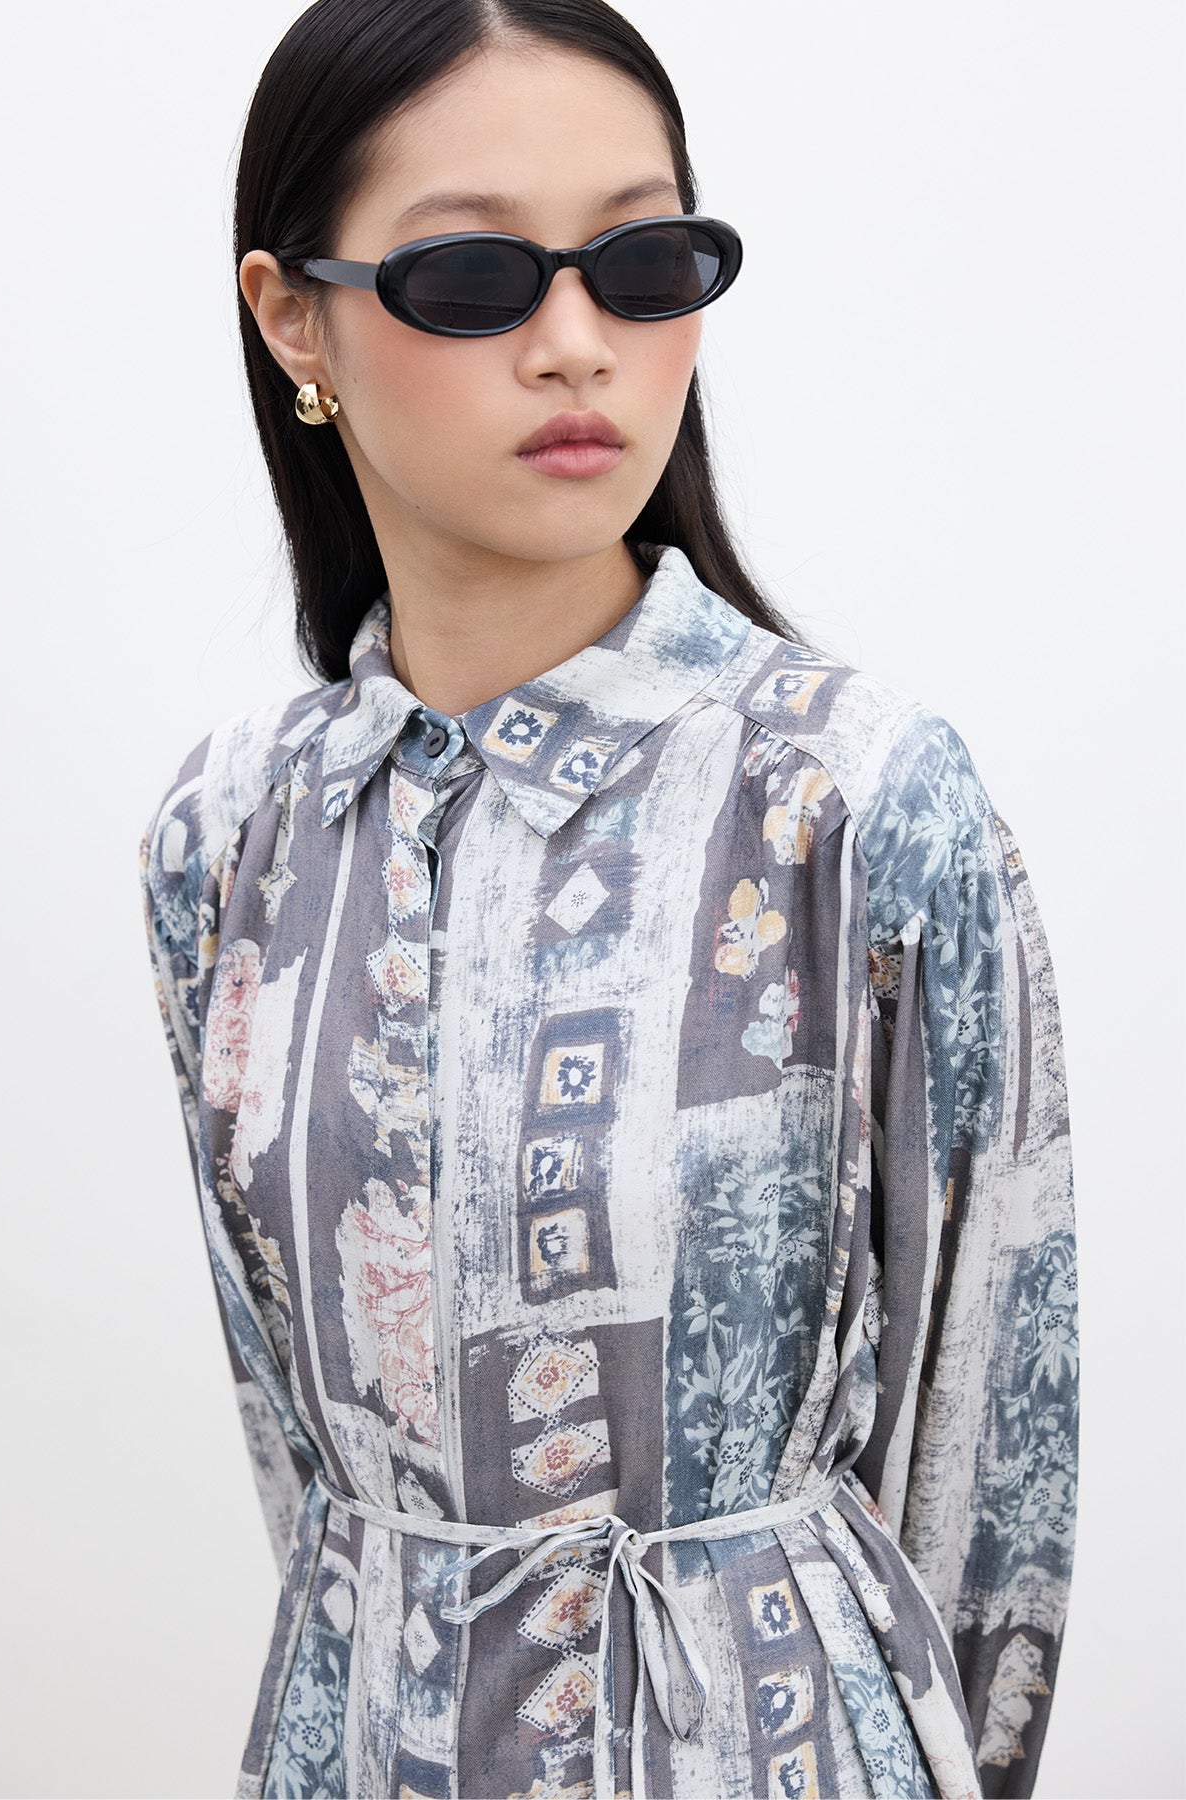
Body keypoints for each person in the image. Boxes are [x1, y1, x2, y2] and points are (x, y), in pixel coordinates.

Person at [137, 3, 1079, 1797]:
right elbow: (300, 1443)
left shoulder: (854, 800)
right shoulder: (228, 835)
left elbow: (990, 1458)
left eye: (642, 268)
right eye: (474, 278)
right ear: (293, 317)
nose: (578, 344)